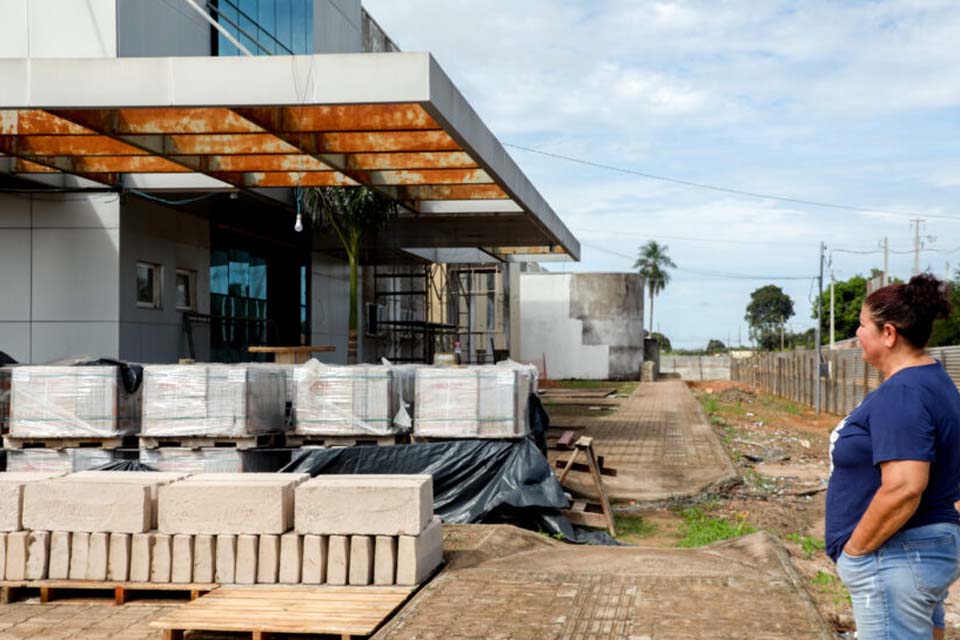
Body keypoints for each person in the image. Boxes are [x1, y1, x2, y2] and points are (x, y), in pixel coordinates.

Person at [826, 273, 960, 640]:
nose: (857, 333)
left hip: (897, 554)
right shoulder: (934, 380)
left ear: (889, 333)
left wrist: (854, 554)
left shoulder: (903, 393)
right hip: (919, 550)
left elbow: (904, 486)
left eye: (864, 325)